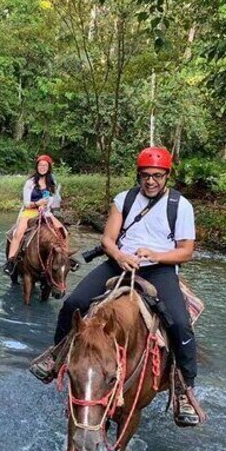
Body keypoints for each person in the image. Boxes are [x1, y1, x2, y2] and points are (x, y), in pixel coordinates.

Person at [30, 147, 204, 426]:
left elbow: (186, 251)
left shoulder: (180, 206)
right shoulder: (124, 199)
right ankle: (57, 355)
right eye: (145, 176)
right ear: (139, 175)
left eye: (157, 176)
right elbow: (109, 239)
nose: (151, 181)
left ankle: (184, 387)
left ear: (167, 176)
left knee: (181, 324)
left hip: (159, 268)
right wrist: (120, 255)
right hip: (119, 262)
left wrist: (157, 255)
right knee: (73, 303)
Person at [3, 154, 67, 275]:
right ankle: (11, 262)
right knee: (18, 233)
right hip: (29, 212)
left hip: (45, 213)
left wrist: (47, 205)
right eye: (40, 165)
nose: (42, 167)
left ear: (49, 168)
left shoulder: (51, 182)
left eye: (45, 165)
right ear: (37, 166)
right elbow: (26, 203)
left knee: (63, 231)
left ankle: (64, 258)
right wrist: (37, 203)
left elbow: (51, 199)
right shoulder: (30, 182)